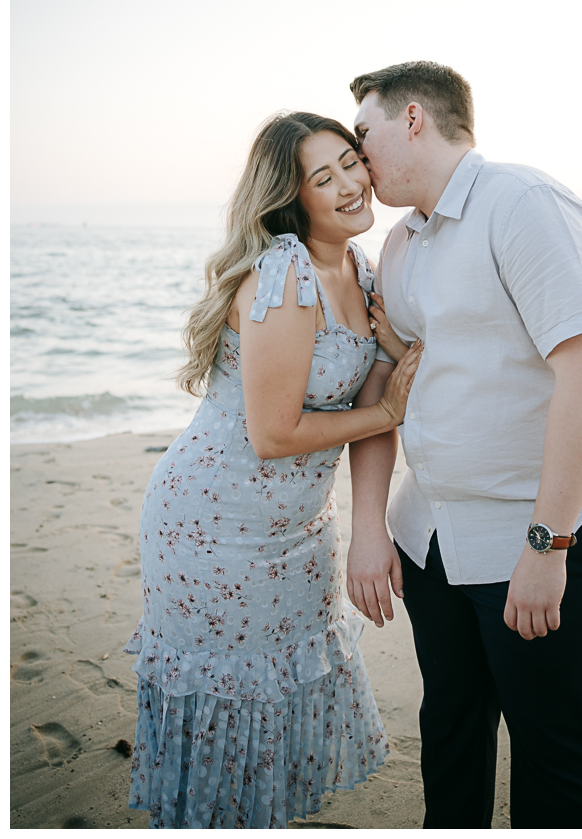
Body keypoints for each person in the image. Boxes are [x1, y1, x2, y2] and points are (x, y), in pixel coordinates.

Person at [345, 61, 582, 829]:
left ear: (412, 118)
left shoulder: (522, 203)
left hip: (533, 533)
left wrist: (546, 544)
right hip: (431, 537)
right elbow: (384, 392)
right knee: (451, 732)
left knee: (550, 746)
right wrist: (369, 528)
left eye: (362, 132)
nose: (356, 152)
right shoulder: (400, 244)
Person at [124, 111, 422, 829]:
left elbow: (376, 396)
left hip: (298, 530)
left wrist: (369, 524)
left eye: (351, 161)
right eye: (325, 178)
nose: (351, 183)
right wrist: (386, 413)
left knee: (276, 719)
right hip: (213, 527)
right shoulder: (284, 272)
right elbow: (274, 432)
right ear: (293, 200)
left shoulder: (362, 267)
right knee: (230, 714)